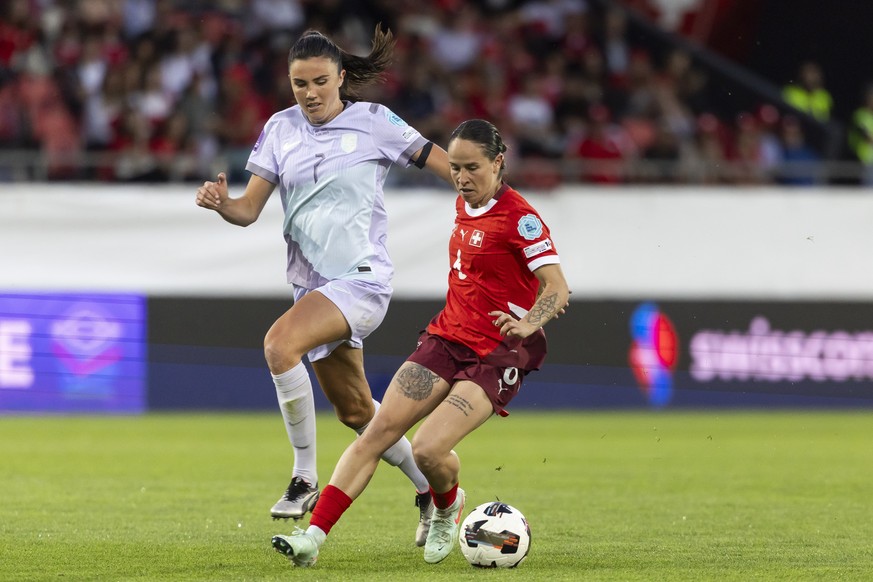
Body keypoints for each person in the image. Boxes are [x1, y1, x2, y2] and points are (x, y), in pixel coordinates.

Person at [195, 26, 453, 546]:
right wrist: (224, 205)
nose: (310, 94)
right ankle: (432, 491)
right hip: (312, 287)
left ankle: (303, 476)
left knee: (279, 344)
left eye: (319, 82)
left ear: (340, 78)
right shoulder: (280, 128)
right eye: (299, 84)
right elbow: (248, 210)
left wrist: (488, 197)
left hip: (362, 279)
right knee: (357, 411)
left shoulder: (374, 121)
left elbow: (444, 163)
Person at [271, 119, 570, 567]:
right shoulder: (464, 201)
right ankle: (312, 538)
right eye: (455, 168)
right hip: (446, 337)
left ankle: (447, 506)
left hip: (498, 351)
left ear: (498, 163)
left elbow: (557, 287)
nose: (461, 178)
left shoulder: (520, 219)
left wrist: (529, 323)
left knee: (429, 450)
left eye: (472, 168)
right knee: (377, 433)